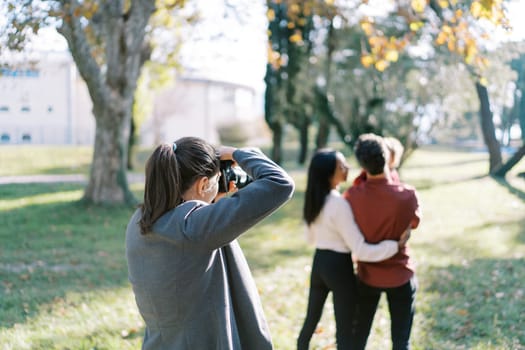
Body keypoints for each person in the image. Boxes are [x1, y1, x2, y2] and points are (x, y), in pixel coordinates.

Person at [125, 136, 295, 350]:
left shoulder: (140, 221)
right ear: (203, 184)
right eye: (215, 180)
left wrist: (209, 201)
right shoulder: (194, 226)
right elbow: (280, 183)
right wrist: (236, 153)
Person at [297, 149, 409, 350]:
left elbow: (309, 238)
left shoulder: (313, 200)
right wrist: (395, 245)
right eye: (341, 166)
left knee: (309, 322)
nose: (347, 168)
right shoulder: (339, 204)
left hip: (319, 263)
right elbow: (361, 249)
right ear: (329, 174)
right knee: (345, 332)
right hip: (339, 267)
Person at [343, 133, 421, 350]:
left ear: (362, 164)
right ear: (389, 158)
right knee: (401, 342)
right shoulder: (408, 195)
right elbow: (413, 224)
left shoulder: (350, 197)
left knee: (358, 340)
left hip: (367, 276)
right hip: (400, 273)